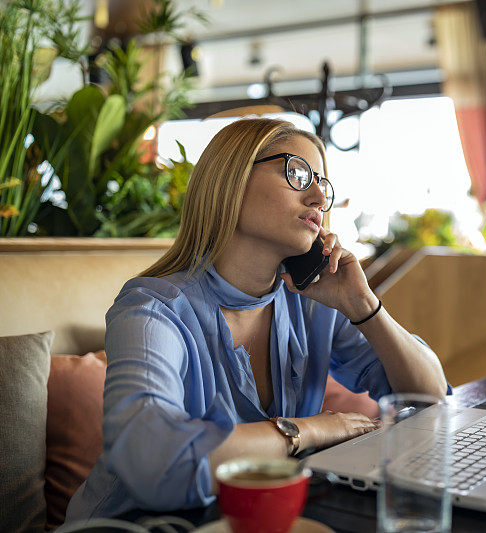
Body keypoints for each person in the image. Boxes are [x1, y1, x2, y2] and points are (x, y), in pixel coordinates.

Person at [65, 118, 449, 521]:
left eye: (322, 182)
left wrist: (364, 306)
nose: (319, 196)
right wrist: (312, 429)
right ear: (232, 179)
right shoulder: (151, 310)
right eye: (298, 174)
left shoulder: (311, 302)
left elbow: (430, 397)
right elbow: (154, 461)